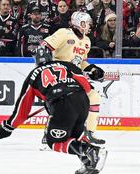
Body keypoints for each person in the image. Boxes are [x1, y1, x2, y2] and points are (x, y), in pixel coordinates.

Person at [0, 48, 107, 174]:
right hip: (82, 100)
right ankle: (89, 165)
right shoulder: (66, 65)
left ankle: (89, 151)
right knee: (75, 135)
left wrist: (8, 126)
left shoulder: (33, 75)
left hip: (62, 104)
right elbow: (87, 87)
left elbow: (22, 109)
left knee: (53, 141)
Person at [39, 11, 105, 146]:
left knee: (94, 97)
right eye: (88, 23)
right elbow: (43, 48)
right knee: (62, 104)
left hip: (75, 77)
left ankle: (89, 133)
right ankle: (49, 133)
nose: (90, 26)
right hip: (59, 75)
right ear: (80, 23)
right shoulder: (64, 33)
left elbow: (82, 62)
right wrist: (46, 65)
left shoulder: (87, 41)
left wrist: (93, 69)